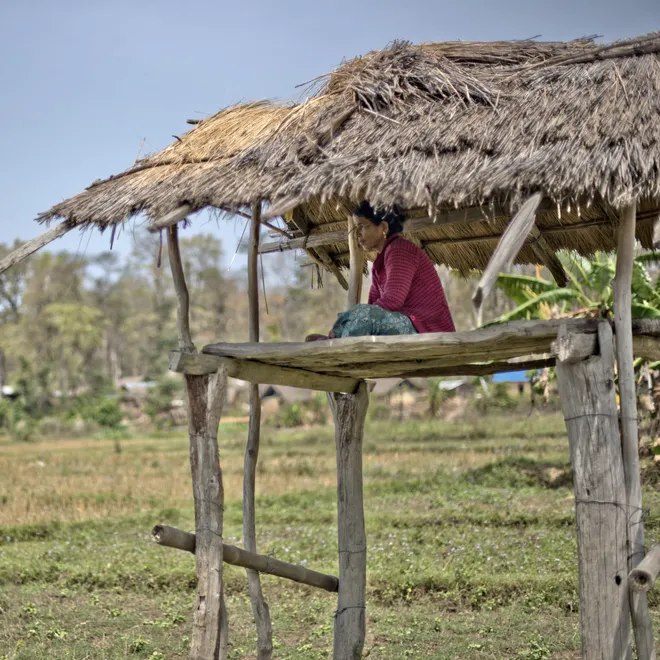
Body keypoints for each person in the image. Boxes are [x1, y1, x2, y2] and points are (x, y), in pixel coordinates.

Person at [305, 201, 455, 341]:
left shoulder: (400, 250)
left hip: (428, 329)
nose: (358, 233)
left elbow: (392, 300)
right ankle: (337, 342)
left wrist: (354, 316)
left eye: (363, 226)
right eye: (357, 228)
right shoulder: (381, 261)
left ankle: (337, 346)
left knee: (362, 314)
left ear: (383, 227)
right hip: (409, 324)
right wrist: (350, 318)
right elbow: (373, 305)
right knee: (361, 314)